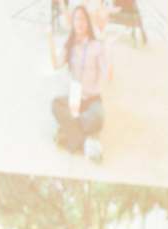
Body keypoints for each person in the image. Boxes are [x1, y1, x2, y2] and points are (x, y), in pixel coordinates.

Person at [49, 3, 108, 161]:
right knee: (55, 104)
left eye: (83, 19)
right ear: (73, 23)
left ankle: (67, 132)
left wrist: (104, 41)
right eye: (76, 19)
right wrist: (49, 40)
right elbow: (56, 65)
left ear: (88, 23)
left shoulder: (97, 45)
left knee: (98, 118)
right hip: (74, 99)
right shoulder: (70, 46)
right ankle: (86, 141)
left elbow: (107, 73)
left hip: (92, 100)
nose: (80, 23)